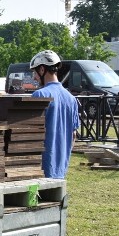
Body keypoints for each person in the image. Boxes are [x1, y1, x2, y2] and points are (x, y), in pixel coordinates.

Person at [30, 50, 80, 178]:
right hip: (61, 170)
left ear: (42, 70)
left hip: (40, 170)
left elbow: (30, 133)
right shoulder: (71, 98)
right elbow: (73, 135)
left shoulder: (39, 95)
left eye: (34, 72)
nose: (34, 77)